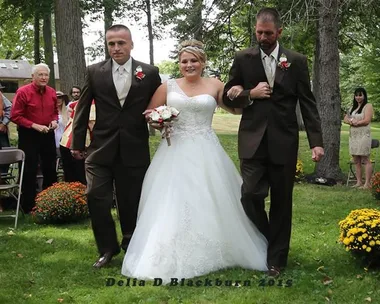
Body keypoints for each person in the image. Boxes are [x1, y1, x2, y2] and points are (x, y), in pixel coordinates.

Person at [121, 39, 268, 283]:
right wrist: (159, 120)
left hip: (206, 148)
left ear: (203, 62)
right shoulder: (167, 86)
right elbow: (149, 113)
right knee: (173, 199)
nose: (189, 65)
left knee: (211, 195)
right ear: (179, 63)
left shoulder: (215, 85)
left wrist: (248, 94)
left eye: (194, 61)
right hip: (174, 150)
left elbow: (234, 109)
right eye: (184, 61)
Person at [223, 7, 324, 277]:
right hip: (252, 140)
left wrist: (316, 141)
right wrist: (249, 93)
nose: (263, 37)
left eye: (268, 33)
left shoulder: (296, 61)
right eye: (259, 32)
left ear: (279, 32)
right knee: (250, 194)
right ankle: (269, 239)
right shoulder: (243, 58)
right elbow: (228, 94)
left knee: (282, 201)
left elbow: (308, 103)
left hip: (284, 141)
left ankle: (276, 259)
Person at [71, 24, 161, 268]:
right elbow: (81, 109)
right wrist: (78, 142)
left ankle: (131, 244)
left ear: (131, 44)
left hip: (134, 147)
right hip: (101, 147)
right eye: (111, 43)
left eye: (121, 43)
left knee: (130, 200)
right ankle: (107, 249)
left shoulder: (150, 72)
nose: (116, 48)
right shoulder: (94, 71)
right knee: (95, 196)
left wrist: (165, 121)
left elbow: (160, 104)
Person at [10, 63, 58, 213]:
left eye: (46, 75)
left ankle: (51, 203)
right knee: (30, 169)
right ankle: (29, 206)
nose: (44, 78)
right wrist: (33, 125)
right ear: (33, 77)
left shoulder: (51, 92)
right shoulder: (23, 92)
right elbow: (15, 115)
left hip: (48, 132)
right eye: (40, 75)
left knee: (50, 168)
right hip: (29, 133)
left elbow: (55, 111)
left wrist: (55, 120)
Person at [343, 87, 373, 189]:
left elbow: (367, 120)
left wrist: (357, 123)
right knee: (356, 159)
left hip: (364, 135)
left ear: (364, 96)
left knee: (365, 159)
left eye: (360, 95)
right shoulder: (353, 107)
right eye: (356, 95)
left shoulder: (368, 106)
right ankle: (359, 182)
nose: (358, 97)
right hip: (354, 136)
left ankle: (367, 183)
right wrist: (350, 121)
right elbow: (345, 118)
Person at [60, 99, 95, 184]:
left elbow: (71, 108)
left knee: (71, 181)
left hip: (66, 141)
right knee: (82, 181)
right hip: (78, 144)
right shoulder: (94, 102)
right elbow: (92, 125)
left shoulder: (82, 100)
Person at [54, 91, 69, 156]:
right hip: (53, 139)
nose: (58, 100)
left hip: (65, 140)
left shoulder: (68, 112)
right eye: (56, 98)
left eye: (60, 98)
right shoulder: (50, 112)